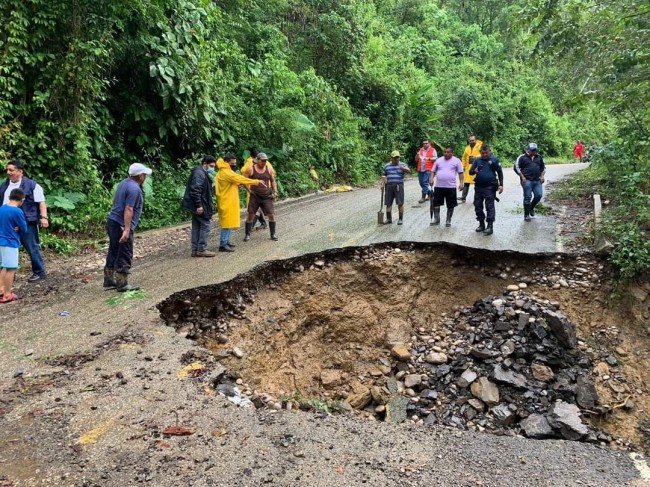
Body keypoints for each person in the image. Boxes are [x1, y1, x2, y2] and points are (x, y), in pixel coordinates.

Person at [104, 163, 152, 292]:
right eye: (145, 174)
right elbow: (129, 209)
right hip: (121, 224)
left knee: (114, 249)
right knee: (125, 252)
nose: (146, 176)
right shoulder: (134, 189)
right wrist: (126, 229)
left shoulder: (123, 183)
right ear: (140, 176)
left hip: (112, 220)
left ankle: (109, 279)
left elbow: (114, 200)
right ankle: (122, 283)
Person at [0, 160, 49, 282]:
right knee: (7, 248)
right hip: (7, 224)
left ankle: (39, 272)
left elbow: (41, 202)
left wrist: (44, 217)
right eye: (8, 170)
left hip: (27, 221)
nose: (8, 172)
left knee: (32, 247)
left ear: (20, 171)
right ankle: (9, 275)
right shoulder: (4, 185)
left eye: (11, 170)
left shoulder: (32, 185)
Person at [216, 153, 266, 252]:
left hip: (229, 200)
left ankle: (226, 242)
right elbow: (240, 178)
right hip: (227, 201)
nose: (234, 165)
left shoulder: (226, 171)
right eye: (232, 163)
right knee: (227, 224)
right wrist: (256, 181)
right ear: (227, 162)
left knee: (229, 222)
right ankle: (223, 244)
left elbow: (235, 180)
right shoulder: (226, 172)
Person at [182, 155, 217, 257]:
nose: (212, 168)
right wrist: (199, 205)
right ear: (204, 164)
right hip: (199, 204)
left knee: (197, 225)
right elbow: (195, 190)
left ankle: (195, 249)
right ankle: (202, 248)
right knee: (206, 224)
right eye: (211, 166)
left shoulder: (200, 172)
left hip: (196, 203)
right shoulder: (199, 173)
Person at [469, 144, 504, 236]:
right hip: (478, 187)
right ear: (480, 152)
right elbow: (470, 172)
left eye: (486, 153)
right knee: (478, 205)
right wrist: (475, 171)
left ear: (489, 152)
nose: (484, 154)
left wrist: (501, 185)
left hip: (490, 186)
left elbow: (500, 173)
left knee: (489, 206)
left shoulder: (494, 160)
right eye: (483, 153)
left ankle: (490, 226)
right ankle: (481, 224)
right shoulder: (477, 160)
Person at [0, 188, 28, 303]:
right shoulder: (17, 211)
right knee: (11, 269)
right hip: (10, 242)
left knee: (4, 266)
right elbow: (24, 228)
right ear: (22, 200)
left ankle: (1, 289)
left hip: (1, 241)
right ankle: (7, 295)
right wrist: (19, 228)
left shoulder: (2, 208)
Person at [243, 153, 279, 241]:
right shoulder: (250, 169)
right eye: (262, 160)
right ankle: (247, 234)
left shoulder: (269, 169)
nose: (264, 162)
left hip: (266, 196)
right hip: (255, 196)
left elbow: (273, 181)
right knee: (251, 215)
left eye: (265, 160)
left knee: (271, 215)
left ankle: (273, 234)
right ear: (257, 160)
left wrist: (275, 191)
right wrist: (249, 190)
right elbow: (244, 180)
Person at [429, 145, 464, 227]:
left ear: (452, 153)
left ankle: (448, 220)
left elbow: (460, 173)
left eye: (448, 152)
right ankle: (436, 219)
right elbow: (433, 171)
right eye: (444, 152)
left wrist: (461, 183)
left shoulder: (457, 161)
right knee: (436, 203)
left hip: (450, 187)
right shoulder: (438, 160)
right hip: (439, 186)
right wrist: (431, 178)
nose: (446, 153)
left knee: (451, 204)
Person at [514, 143, 546, 221]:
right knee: (527, 197)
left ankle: (531, 207)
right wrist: (522, 177)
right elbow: (516, 167)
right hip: (527, 180)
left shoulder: (539, 157)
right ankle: (526, 215)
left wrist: (542, 176)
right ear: (528, 149)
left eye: (535, 150)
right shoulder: (522, 157)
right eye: (532, 150)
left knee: (538, 195)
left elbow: (543, 168)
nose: (533, 151)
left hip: (537, 180)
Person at [381, 150, 411, 225]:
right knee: (388, 203)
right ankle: (389, 219)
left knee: (400, 203)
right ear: (391, 158)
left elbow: (409, 171)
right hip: (388, 186)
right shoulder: (387, 166)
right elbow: (383, 176)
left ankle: (400, 219)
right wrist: (382, 184)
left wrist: (403, 169)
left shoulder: (402, 164)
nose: (397, 159)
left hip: (399, 186)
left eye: (398, 157)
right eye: (395, 158)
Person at [460, 135, 483, 202]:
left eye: (473, 140)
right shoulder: (467, 148)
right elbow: (464, 157)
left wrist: (477, 157)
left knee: (477, 184)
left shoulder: (480, 147)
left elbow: (484, 155)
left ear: (476, 140)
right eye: (470, 141)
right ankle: (463, 197)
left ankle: (476, 199)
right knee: (466, 183)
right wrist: (463, 166)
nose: (471, 142)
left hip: (477, 168)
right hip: (468, 168)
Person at [415, 139, 437, 203]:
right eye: (424, 143)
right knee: (421, 183)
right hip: (420, 169)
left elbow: (436, 158)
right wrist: (417, 155)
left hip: (428, 169)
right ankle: (430, 194)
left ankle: (423, 197)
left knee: (425, 183)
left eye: (426, 143)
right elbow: (416, 159)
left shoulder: (433, 150)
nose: (425, 144)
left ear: (429, 143)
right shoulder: (421, 150)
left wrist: (428, 158)